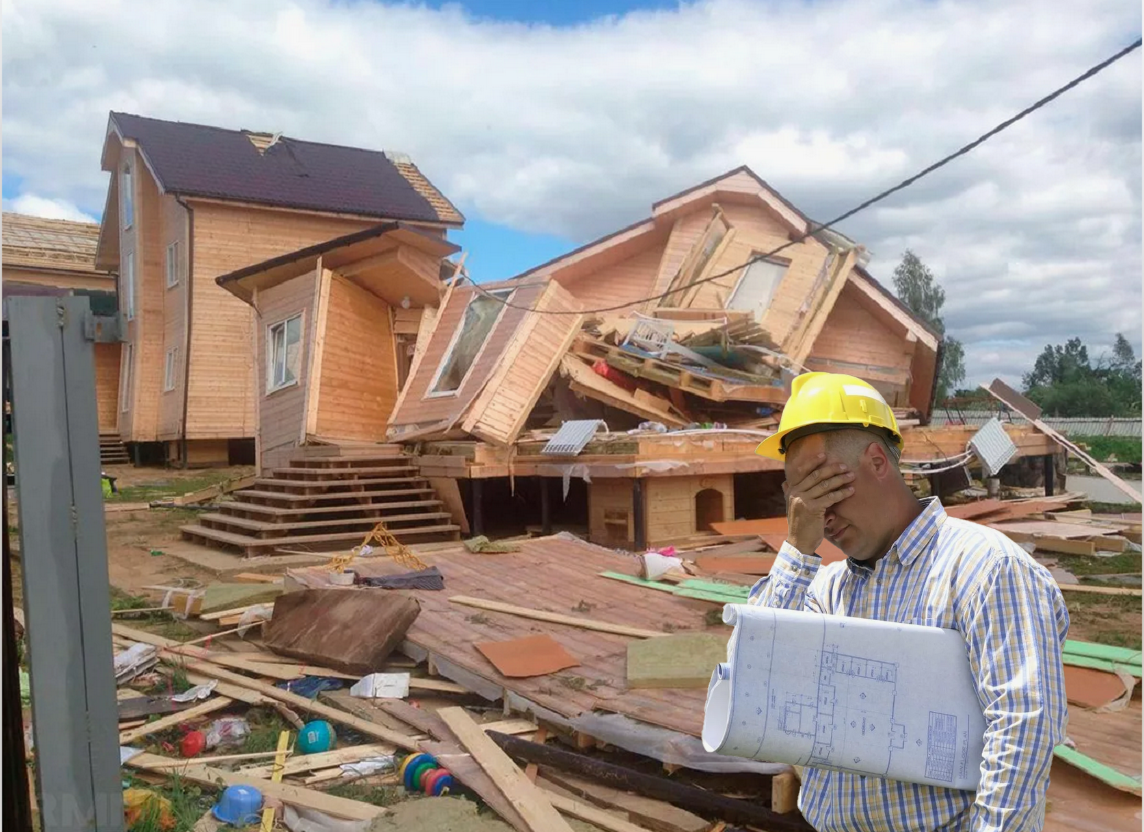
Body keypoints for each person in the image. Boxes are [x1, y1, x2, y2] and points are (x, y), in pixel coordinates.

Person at [750, 372, 1069, 832]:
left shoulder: (983, 568)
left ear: (877, 461)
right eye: (799, 499)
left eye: (822, 489)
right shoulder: (825, 590)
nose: (818, 513)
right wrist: (798, 549)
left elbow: (1023, 725)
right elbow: (758, 685)